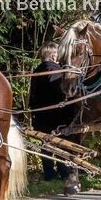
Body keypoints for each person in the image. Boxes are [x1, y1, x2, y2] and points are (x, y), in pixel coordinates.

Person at [28, 42, 74, 180]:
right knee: (60, 143)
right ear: (53, 55)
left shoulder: (38, 70)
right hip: (56, 115)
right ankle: (63, 171)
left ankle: (49, 173)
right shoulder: (55, 71)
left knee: (45, 144)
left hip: (40, 114)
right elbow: (59, 92)